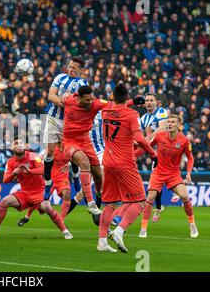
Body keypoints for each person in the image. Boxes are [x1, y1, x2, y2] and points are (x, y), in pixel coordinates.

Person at [51, 85, 145, 216]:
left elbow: (115, 105)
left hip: (86, 142)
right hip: (70, 141)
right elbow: (53, 98)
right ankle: (91, 203)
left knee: (98, 177)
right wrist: (63, 95)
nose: (90, 102)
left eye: (92, 99)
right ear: (79, 98)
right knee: (84, 163)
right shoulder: (69, 101)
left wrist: (133, 102)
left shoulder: (96, 104)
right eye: (87, 100)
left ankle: (98, 196)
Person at [97, 84, 157, 253]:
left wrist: (130, 101)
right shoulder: (132, 114)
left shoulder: (105, 111)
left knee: (109, 203)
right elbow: (140, 137)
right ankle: (119, 230)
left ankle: (102, 242)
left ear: (113, 96)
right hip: (124, 162)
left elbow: (113, 106)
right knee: (139, 201)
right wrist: (153, 155)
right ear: (127, 96)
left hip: (107, 162)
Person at [0, 138, 73, 240]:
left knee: (47, 207)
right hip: (25, 193)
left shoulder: (33, 157)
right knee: (4, 201)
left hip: (39, 191)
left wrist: (29, 171)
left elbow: (43, 169)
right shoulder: (10, 162)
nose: (19, 145)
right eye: (16, 143)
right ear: (12, 147)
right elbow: (5, 180)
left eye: (21, 143)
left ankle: (65, 232)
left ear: (25, 146)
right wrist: (14, 173)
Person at [136, 115, 198, 238]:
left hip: (173, 174)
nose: (169, 124)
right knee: (150, 197)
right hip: (158, 172)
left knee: (185, 196)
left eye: (172, 122)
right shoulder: (159, 136)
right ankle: (143, 229)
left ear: (179, 124)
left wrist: (189, 173)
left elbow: (190, 157)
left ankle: (192, 224)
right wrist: (133, 155)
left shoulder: (184, 140)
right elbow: (146, 147)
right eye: (168, 122)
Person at [43, 57, 86, 199]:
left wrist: (71, 102)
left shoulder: (83, 84)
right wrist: (65, 101)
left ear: (81, 70)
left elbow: (84, 104)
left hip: (70, 122)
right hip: (53, 118)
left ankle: (75, 176)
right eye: (70, 66)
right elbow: (50, 95)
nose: (71, 69)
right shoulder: (60, 77)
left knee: (70, 152)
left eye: (74, 68)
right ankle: (48, 182)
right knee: (49, 152)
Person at [17, 143, 72, 226]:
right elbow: (39, 160)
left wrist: (69, 164)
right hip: (49, 179)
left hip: (62, 177)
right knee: (38, 199)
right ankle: (26, 217)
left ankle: (61, 220)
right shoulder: (47, 150)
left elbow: (75, 159)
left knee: (67, 194)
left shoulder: (68, 147)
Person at [140, 93, 169, 220]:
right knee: (156, 181)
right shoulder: (143, 118)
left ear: (156, 102)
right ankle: (158, 207)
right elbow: (141, 136)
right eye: (147, 100)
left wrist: (148, 137)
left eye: (151, 100)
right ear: (144, 103)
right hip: (155, 152)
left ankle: (158, 206)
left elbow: (162, 128)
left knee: (161, 179)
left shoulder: (161, 111)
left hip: (167, 149)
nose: (149, 102)